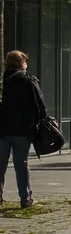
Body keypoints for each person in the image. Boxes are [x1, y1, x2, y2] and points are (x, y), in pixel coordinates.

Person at [0, 51, 46, 208]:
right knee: (21, 165)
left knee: (0, 166)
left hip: (2, 130)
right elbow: (40, 106)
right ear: (21, 63)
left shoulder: (2, 82)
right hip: (23, 131)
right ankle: (25, 199)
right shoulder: (28, 81)